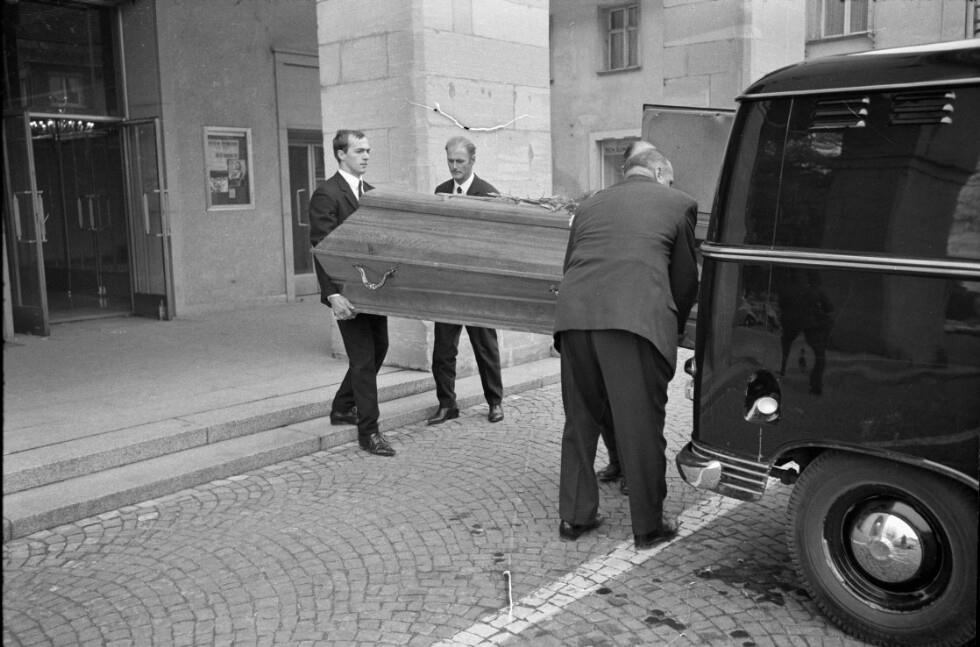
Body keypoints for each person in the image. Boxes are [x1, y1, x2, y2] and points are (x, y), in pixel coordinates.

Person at [554, 147, 699, 549]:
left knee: (580, 421)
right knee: (640, 426)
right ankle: (648, 526)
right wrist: (670, 327)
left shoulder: (589, 205)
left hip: (575, 318)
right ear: (659, 171)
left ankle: (575, 517)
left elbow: (570, 265)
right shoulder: (679, 204)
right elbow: (685, 280)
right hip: (634, 323)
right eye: (669, 179)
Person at [309, 129, 395, 457]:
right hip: (345, 292)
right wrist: (333, 295)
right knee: (362, 360)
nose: (366, 156)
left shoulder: (370, 193)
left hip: (372, 291)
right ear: (341, 154)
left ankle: (343, 406)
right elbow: (321, 247)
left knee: (379, 348)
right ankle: (369, 432)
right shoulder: (327, 194)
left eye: (368, 150)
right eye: (360, 151)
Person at [593, 139, 660, 494]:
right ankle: (618, 460)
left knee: (638, 405)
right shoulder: (609, 203)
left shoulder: (662, 202)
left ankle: (638, 473)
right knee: (606, 401)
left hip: (642, 318)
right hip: (608, 312)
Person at [426, 136, 505, 426]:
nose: (454, 166)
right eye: (450, 161)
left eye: (460, 161)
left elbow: (496, 244)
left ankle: (495, 402)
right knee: (443, 350)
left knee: (485, 347)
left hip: (476, 287)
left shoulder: (489, 194)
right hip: (448, 285)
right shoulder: (440, 191)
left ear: (472, 161)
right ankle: (447, 404)